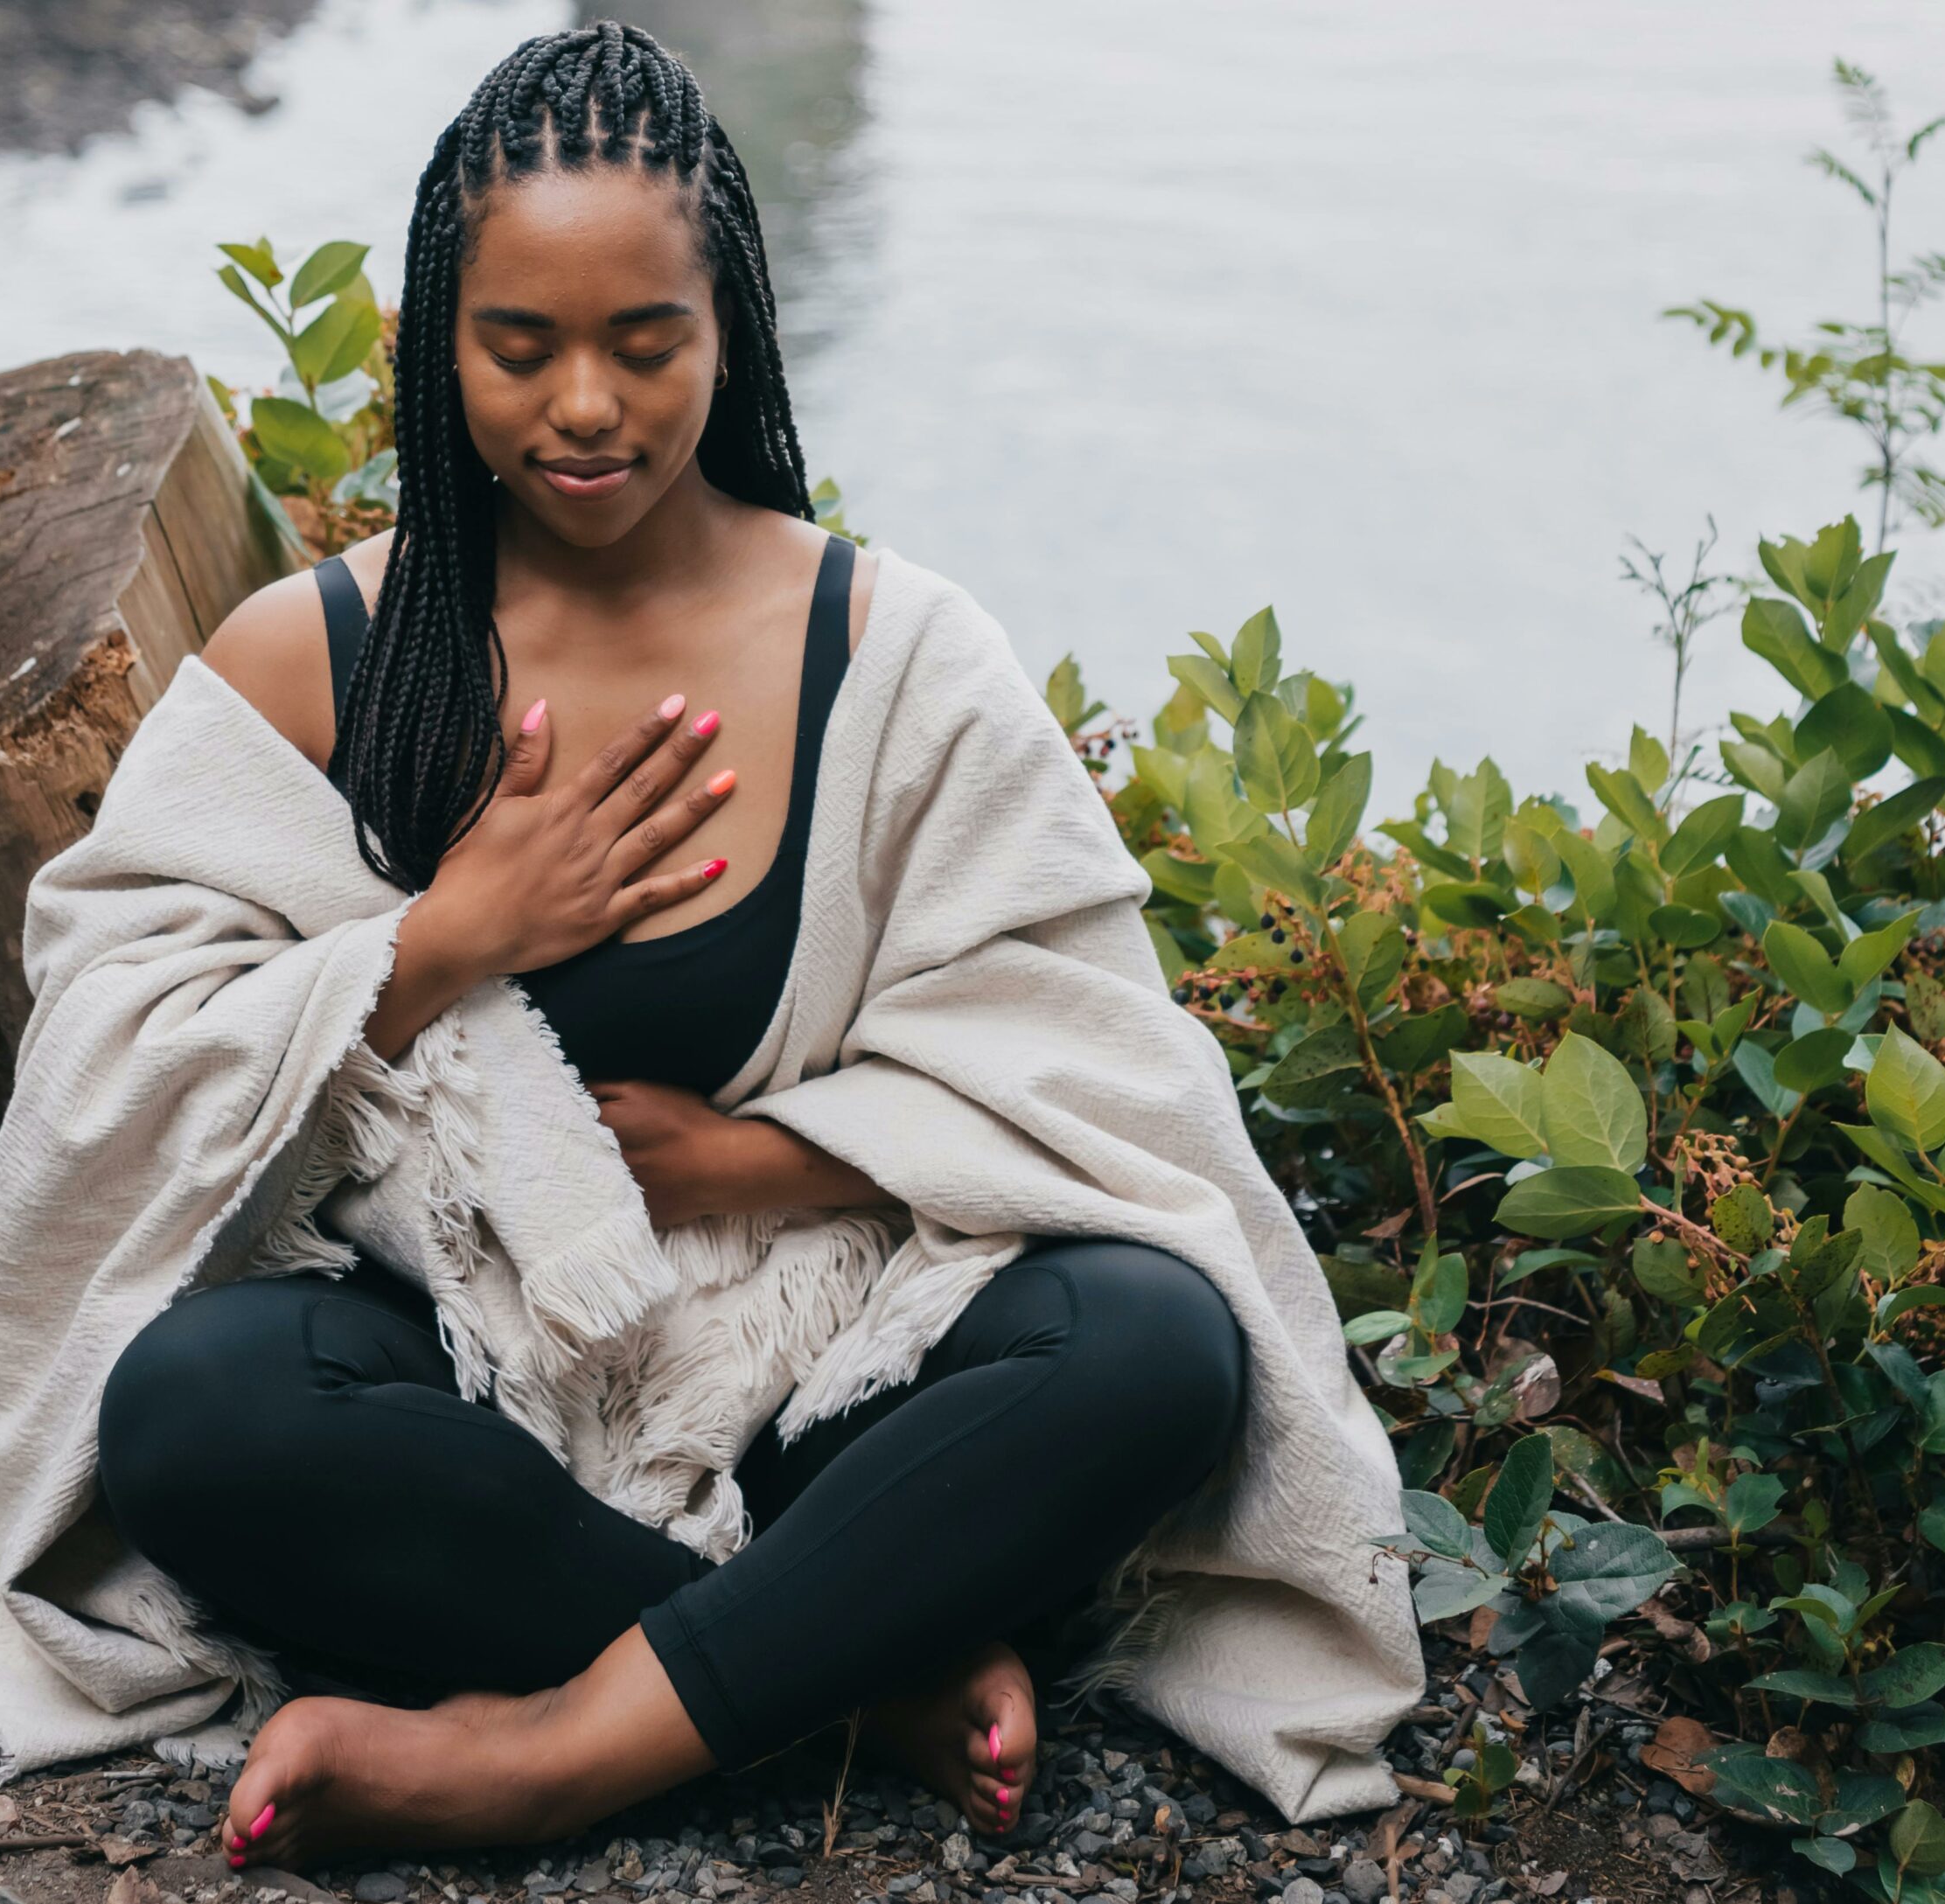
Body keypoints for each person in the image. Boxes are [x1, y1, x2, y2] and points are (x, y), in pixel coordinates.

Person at [90, 22, 1247, 1873]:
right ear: (428, 342)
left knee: (1152, 1344)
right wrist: (455, 936)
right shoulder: (314, 657)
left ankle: (545, 1754)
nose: (585, 410)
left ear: (733, 333)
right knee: (192, 1415)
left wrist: (763, 1158)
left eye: (646, 344)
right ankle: (860, 1662)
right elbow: (117, 1072)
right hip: (465, 1379)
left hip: (812, 1373)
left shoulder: (892, 652)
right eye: (517, 345)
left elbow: (1094, 1065)